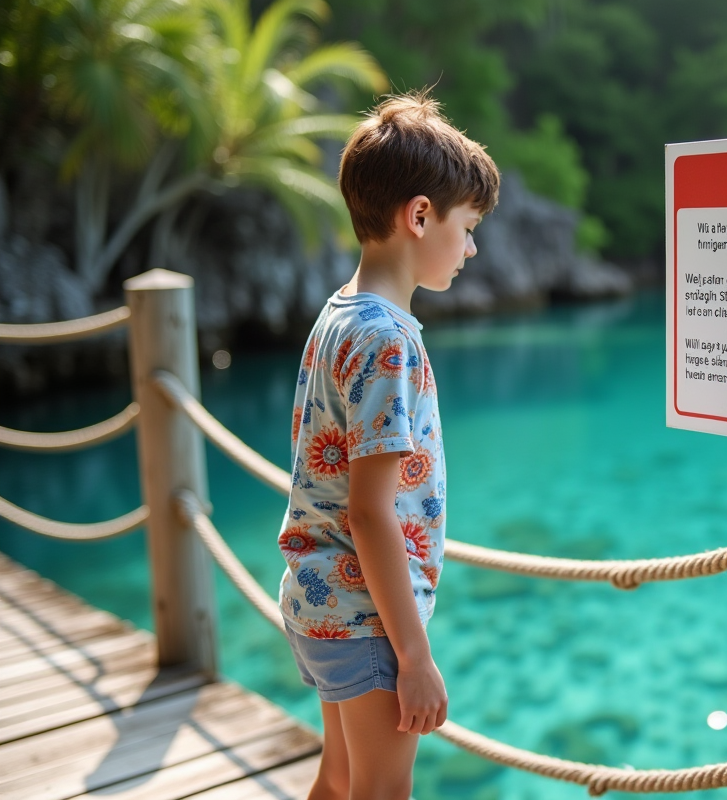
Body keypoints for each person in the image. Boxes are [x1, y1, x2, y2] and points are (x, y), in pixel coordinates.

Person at [276, 91, 499, 800]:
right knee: (379, 790)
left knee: (340, 779)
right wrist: (414, 655)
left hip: (320, 598)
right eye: (467, 227)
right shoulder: (388, 341)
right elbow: (370, 512)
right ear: (420, 215)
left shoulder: (340, 315)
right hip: (365, 617)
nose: (470, 248)